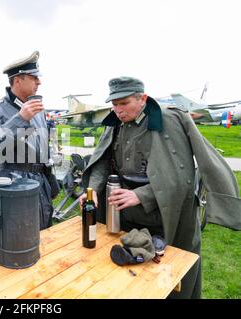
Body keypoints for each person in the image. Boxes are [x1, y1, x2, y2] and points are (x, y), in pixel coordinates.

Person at [80, 76, 241, 299]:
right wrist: (92, 191)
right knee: (129, 276)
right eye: (114, 104)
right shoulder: (116, 122)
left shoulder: (169, 120)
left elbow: (182, 175)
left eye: (124, 103)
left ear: (142, 98)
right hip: (126, 214)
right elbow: (102, 162)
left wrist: (141, 194)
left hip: (166, 215)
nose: (118, 110)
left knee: (168, 277)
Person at [0, 51, 59, 252]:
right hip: (12, 186)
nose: (39, 82)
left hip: (39, 185)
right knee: (14, 245)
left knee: (40, 241)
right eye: (34, 77)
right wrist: (20, 119)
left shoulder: (38, 109)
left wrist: (50, 183)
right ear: (18, 80)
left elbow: (44, 150)